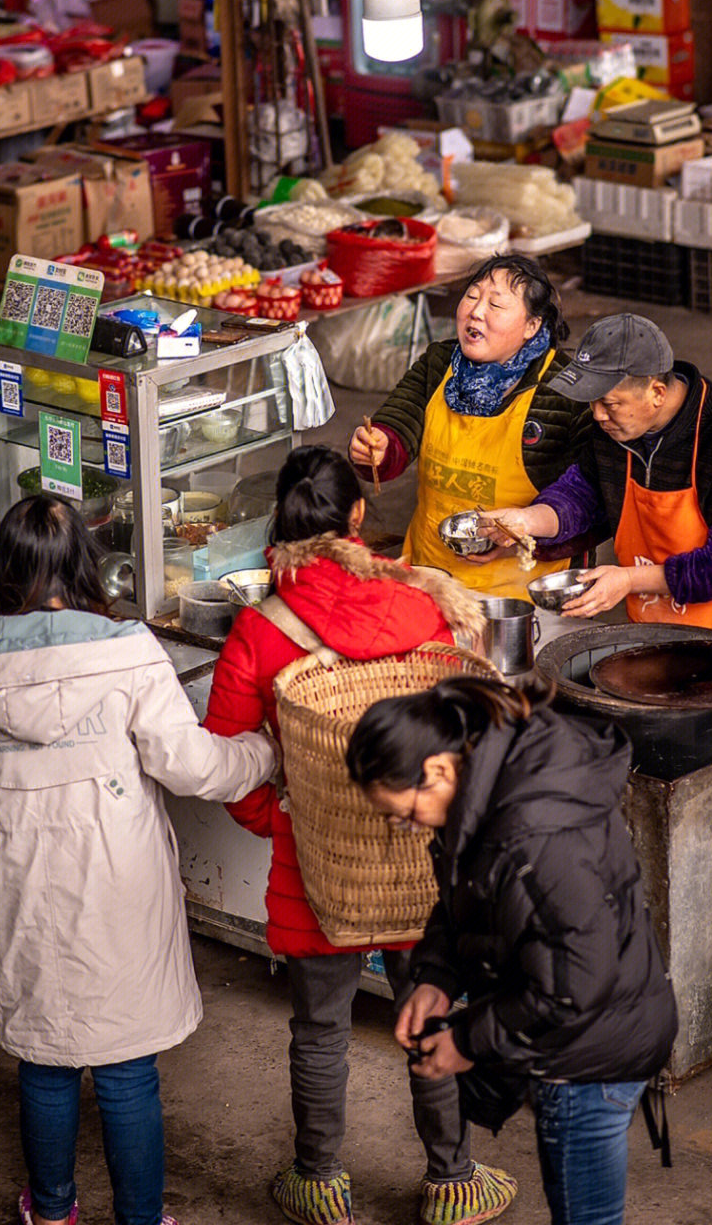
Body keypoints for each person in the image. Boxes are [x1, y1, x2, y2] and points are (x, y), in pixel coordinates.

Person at [0, 495, 276, 1225]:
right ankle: (141, 1218)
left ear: (7, 571)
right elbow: (191, 768)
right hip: (115, 867)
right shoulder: (127, 652)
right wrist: (263, 752)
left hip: (21, 868)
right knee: (126, 1068)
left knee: (46, 1056)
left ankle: (52, 1210)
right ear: (85, 566)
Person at [203, 445, 516, 1225]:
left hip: (320, 863)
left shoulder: (259, 627)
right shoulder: (424, 606)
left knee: (320, 1027)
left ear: (281, 524)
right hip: (425, 855)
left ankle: (320, 1183)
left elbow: (228, 754)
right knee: (432, 1009)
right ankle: (452, 1180)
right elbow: (469, 725)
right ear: (355, 517)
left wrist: (281, 821)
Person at [345, 675, 678, 1225]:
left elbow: (574, 986)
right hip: (595, 1032)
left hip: (588, 1059)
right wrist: (435, 979)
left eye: (401, 813)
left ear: (438, 770)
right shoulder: (492, 788)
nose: (403, 827)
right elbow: (472, 900)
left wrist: (467, 1041)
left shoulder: (533, 834)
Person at [475, 313, 712, 737]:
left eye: (610, 403)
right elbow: (581, 495)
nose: (598, 415)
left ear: (657, 392)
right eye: (592, 402)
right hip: (654, 645)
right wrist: (524, 522)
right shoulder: (613, 432)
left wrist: (627, 580)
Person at [347, 253, 591, 599]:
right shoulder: (439, 362)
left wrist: (523, 537)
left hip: (523, 597)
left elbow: (593, 495)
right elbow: (397, 427)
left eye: (496, 304)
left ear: (532, 325)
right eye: (472, 296)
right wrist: (377, 447)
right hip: (431, 579)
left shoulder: (565, 388)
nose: (476, 312)